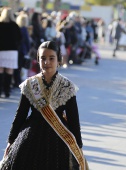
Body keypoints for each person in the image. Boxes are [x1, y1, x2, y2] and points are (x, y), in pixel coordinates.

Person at [0, 41, 85, 170]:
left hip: (58, 138)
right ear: (38, 60)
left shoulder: (67, 86)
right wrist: (11, 141)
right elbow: (20, 115)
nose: (47, 62)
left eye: (51, 58)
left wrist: (78, 146)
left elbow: (74, 119)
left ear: (59, 60)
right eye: (43, 58)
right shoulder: (30, 84)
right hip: (31, 136)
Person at [0, 7, 22, 97]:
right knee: (9, 71)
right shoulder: (15, 25)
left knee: (0, 71)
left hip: (1, 50)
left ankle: (0, 90)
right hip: (12, 51)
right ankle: (7, 91)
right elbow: (20, 38)